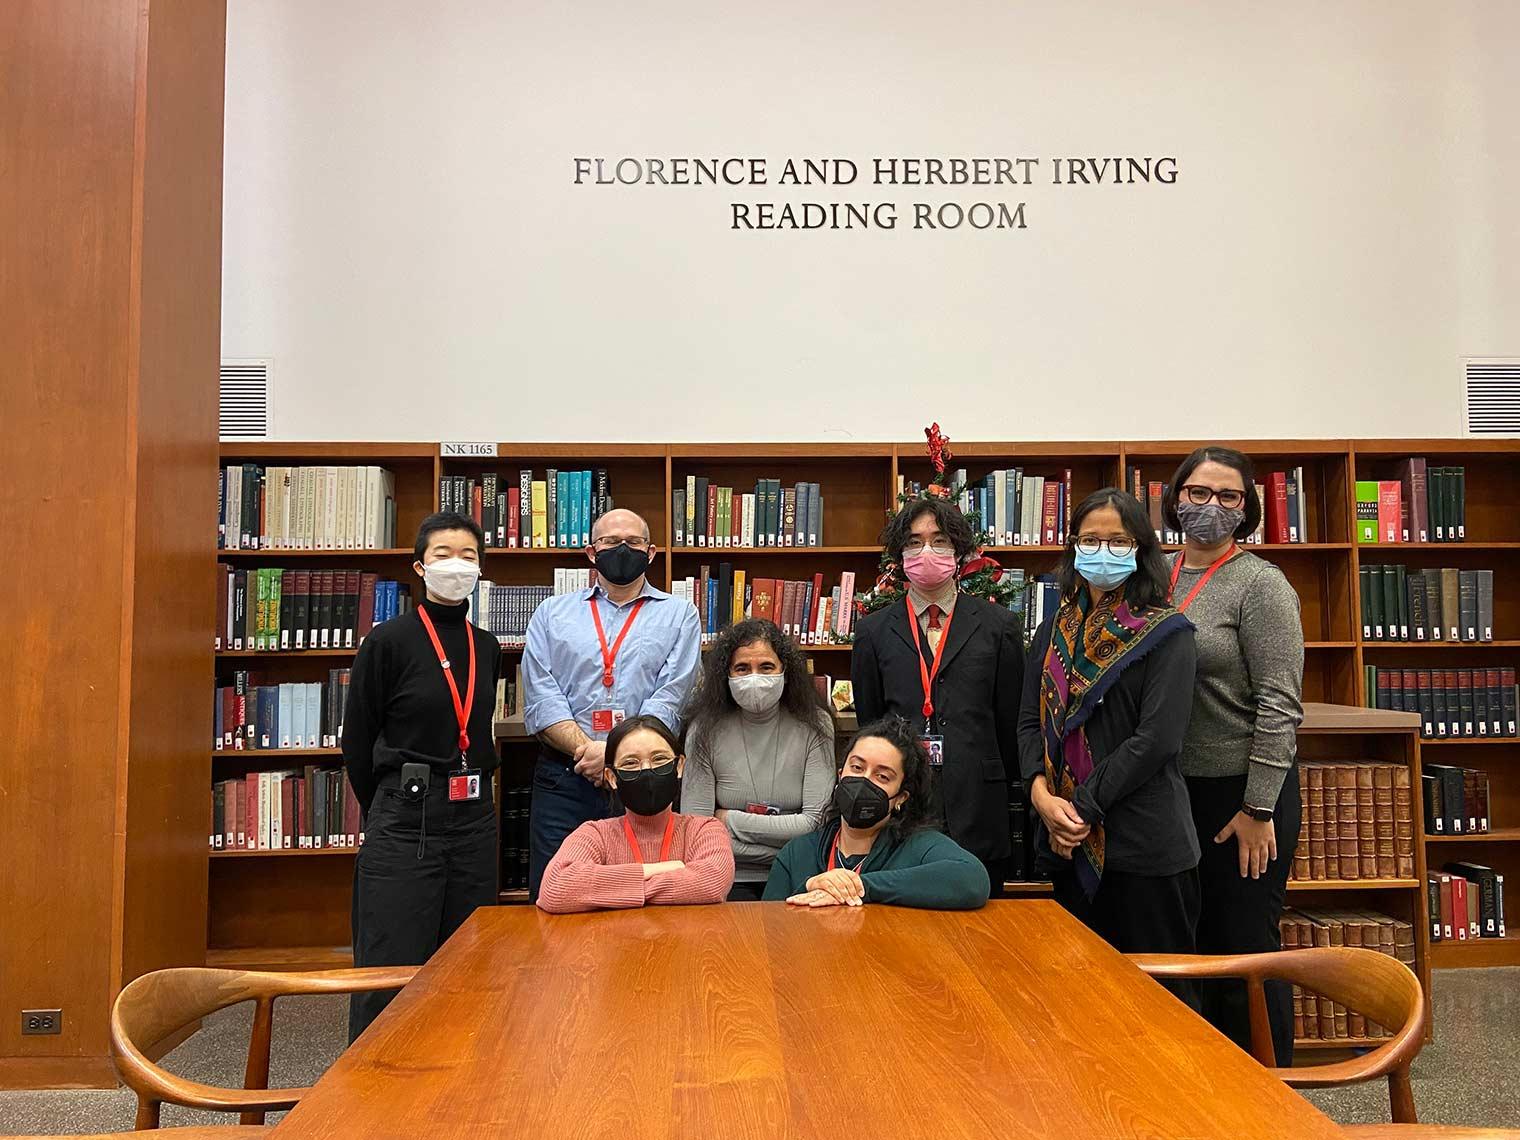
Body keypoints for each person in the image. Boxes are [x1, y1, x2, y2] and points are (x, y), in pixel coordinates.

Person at [1017, 488, 1201, 966]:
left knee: (1162, 1004)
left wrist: (1078, 809)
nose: (1103, 551)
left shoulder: (1168, 633)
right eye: (1090, 539)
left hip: (1142, 848)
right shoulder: (1052, 629)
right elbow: (1026, 724)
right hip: (1065, 844)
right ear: (1073, 546)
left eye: (1118, 541)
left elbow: (1157, 740)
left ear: (1140, 549)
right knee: (1081, 996)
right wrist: (1040, 797)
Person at [1163, 447, 1305, 1064]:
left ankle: (1267, 1096)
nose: (1210, 507)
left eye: (1228, 496)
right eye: (1198, 493)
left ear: (1246, 508)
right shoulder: (1156, 573)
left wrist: (1258, 808)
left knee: (1244, 946)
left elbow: (1280, 703)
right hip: (1169, 792)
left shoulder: (1261, 584)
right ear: (1175, 498)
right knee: (1186, 945)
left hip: (1239, 796)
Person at [343, 511, 502, 1040]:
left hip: (475, 818)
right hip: (406, 818)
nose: (457, 565)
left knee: (470, 959)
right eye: (443, 555)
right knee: (391, 966)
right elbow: (358, 741)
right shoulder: (388, 641)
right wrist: (390, 805)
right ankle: (371, 1097)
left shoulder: (488, 645)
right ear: (419, 566)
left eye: (469, 556)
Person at [522, 508, 701, 899]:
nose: (622, 548)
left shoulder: (680, 615)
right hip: (566, 776)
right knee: (557, 892)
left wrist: (616, 755)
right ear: (591, 552)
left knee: (644, 889)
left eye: (633, 542)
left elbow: (672, 695)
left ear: (651, 553)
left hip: (644, 779)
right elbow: (541, 694)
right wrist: (589, 752)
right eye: (609, 541)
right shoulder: (552, 614)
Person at [849, 495, 1023, 890]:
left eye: (939, 540)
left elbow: (1010, 721)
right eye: (913, 542)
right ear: (899, 556)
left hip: (980, 806)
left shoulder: (999, 626)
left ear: (959, 551)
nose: (926, 550)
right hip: (901, 808)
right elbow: (871, 725)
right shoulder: (873, 632)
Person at [763, 717, 990, 909]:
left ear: (901, 797)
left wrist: (863, 886)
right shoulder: (797, 852)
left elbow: (973, 879)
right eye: (857, 768)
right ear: (840, 774)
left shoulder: (918, 846)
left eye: (882, 776)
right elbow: (769, 926)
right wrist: (812, 885)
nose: (863, 781)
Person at [681, 619, 836, 900]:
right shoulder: (703, 731)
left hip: (799, 874)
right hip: (725, 875)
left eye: (766, 667)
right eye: (742, 668)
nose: (754, 678)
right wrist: (787, 838)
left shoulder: (817, 725)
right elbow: (697, 832)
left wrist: (728, 820)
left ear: (785, 671)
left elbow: (815, 824)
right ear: (726, 676)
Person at [537, 715, 735, 912]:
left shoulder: (704, 830)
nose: (647, 770)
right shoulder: (594, 834)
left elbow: (712, 882)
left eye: (659, 759)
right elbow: (555, 888)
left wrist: (610, 890)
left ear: (679, 766)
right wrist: (660, 869)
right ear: (612, 777)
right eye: (631, 763)